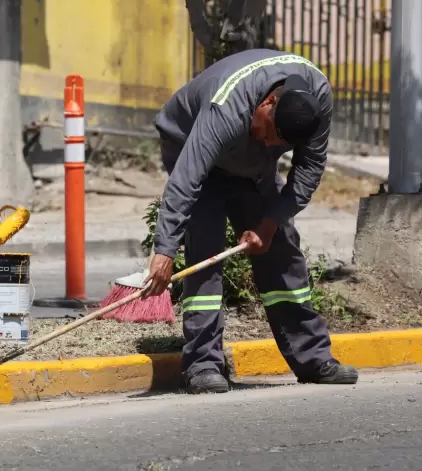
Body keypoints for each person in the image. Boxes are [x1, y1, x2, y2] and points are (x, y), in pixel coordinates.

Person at [143, 48, 358, 394]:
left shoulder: (316, 102)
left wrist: (269, 224)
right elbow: (186, 178)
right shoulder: (226, 107)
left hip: (249, 168)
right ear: (268, 101)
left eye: (279, 144)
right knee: (205, 247)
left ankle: (313, 358)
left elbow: (307, 174)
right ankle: (203, 365)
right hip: (192, 148)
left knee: (282, 250)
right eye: (269, 132)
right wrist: (165, 250)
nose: (269, 142)